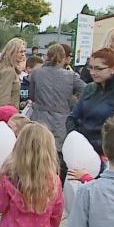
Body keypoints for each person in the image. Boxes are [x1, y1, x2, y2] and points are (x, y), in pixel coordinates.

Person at [28, 44, 86, 183]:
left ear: (47, 56)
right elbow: (85, 90)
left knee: (38, 154)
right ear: (63, 58)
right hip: (61, 120)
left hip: (40, 118)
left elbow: (32, 96)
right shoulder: (71, 76)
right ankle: (56, 187)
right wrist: (72, 102)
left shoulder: (37, 73)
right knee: (58, 157)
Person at [67, 48, 114, 156]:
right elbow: (72, 117)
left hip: (110, 154)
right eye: (90, 68)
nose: (93, 73)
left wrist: (102, 147)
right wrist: (77, 140)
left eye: (98, 69)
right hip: (81, 149)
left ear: (113, 68)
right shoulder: (89, 89)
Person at [0, 37, 27, 110]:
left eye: (24, 52)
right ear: (12, 52)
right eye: (20, 52)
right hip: (4, 113)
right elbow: (4, 97)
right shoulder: (8, 70)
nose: (23, 55)